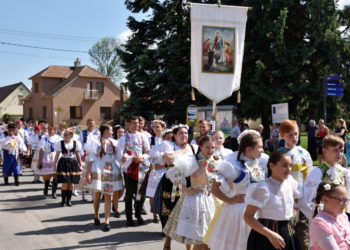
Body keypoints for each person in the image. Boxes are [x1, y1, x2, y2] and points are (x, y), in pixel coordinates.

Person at [205, 130, 268, 250]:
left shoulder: (258, 162)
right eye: (259, 147)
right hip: (240, 212)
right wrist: (229, 199)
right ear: (249, 148)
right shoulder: (234, 167)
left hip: (258, 210)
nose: (262, 150)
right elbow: (214, 187)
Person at [164, 135, 217, 249]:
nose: (211, 150)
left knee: (208, 230)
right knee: (193, 230)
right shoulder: (192, 160)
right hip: (194, 199)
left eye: (213, 147)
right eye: (207, 147)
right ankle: (167, 245)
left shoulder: (215, 160)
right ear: (201, 147)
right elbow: (174, 173)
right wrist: (186, 189)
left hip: (209, 198)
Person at [151, 124, 197, 250]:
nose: (184, 135)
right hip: (171, 182)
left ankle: (190, 248)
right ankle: (167, 243)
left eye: (186, 133)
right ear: (174, 135)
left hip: (189, 182)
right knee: (172, 214)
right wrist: (183, 150)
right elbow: (169, 159)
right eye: (181, 133)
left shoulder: (193, 147)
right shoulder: (169, 145)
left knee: (189, 214)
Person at [244, 151, 302, 250]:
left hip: (287, 232)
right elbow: (248, 217)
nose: (288, 169)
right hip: (265, 236)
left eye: (290, 166)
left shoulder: (290, 183)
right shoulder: (263, 188)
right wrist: (270, 234)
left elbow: (297, 200)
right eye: (284, 166)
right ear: (272, 165)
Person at [279, 120, 313, 250]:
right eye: (290, 135)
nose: (294, 138)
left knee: (302, 231)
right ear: (282, 136)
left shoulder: (304, 153)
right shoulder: (280, 154)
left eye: (296, 134)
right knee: (286, 232)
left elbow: (310, 176)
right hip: (286, 199)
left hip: (303, 198)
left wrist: (308, 195)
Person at [84, 124, 123, 231]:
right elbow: (90, 158)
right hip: (98, 169)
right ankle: (96, 215)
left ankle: (107, 221)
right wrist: (87, 173)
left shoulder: (113, 142)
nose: (112, 132)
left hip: (110, 169)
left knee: (108, 196)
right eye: (110, 130)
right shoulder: (95, 142)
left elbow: (118, 156)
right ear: (105, 131)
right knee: (97, 195)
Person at [302, 135, 350, 220]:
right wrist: (319, 213)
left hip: (341, 216)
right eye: (335, 150)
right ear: (324, 151)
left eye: (341, 151)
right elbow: (307, 199)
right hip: (323, 218)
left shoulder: (344, 172)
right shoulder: (317, 173)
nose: (339, 154)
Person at [116, 115, 150, 226]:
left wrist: (143, 157)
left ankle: (138, 213)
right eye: (134, 123)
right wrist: (131, 158)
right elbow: (119, 155)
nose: (137, 125)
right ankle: (129, 217)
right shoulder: (123, 138)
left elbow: (147, 150)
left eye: (138, 123)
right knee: (130, 194)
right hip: (129, 169)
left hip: (141, 168)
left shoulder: (142, 136)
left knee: (141, 193)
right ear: (128, 124)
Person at [310, 181, 350, 249]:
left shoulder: (343, 216)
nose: (345, 203)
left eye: (346, 200)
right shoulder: (320, 223)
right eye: (341, 200)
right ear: (325, 199)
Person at [145, 120, 166, 223]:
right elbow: (146, 155)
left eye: (158, 127)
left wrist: (162, 165)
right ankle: (155, 214)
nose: (156, 129)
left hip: (165, 169)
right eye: (154, 127)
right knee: (152, 192)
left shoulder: (166, 140)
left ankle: (163, 212)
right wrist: (151, 165)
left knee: (163, 193)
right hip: (154, 170)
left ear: (163, 128)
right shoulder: (150, 140)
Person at [54, 129, 82, 207]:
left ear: (71, 136)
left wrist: (80, 165)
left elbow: (78, 155)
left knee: (71, 182)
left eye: (66, 135)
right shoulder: (60, 143)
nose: (65, 136)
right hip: (63, 163)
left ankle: (69, 200)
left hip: (73, 163)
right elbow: (57, 155)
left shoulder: (76, 143)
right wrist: (54, 165)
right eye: (64, 135)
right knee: (65, 182)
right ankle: (63, 200)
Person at [78, 119, 101, 201]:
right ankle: (83, 196)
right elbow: (80, 143)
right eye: (90, 124)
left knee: (94, 175)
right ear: (87, 124)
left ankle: (93, 197)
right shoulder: (83, 133)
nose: (91, 125)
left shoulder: (98, 132)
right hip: (86, 155)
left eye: (93, 124)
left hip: (96, 156)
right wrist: (81, 154)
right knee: (85, 175)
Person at [37, 126, 61, 198]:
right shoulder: (44, 138)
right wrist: (39, 161)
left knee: (56, 175)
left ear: (55, 131)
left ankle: (54, 192)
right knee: (47, 176)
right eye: (49, 130)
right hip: (46, 157)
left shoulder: (59, 138)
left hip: (56, 157)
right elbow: (41, 150)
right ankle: (46, 189)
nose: (51, 131)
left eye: (52, 130)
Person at [111, 124, 125, 217]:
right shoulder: (113, 142)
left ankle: (113, 201)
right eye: (119, 132)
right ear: (115, 133)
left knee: (123, 190)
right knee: (116, 189)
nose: (121, 133)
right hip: (115, 166)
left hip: (125, 166)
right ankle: (116, 209)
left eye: (123, 132)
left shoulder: (126, 141)